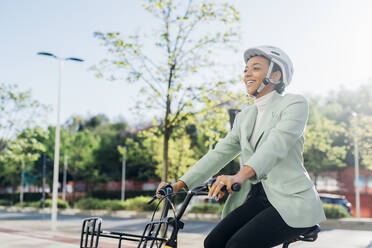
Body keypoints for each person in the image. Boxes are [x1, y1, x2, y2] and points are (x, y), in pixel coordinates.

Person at [156, 45, 326, 248]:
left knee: (237, 245)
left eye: (255, 68)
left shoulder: (294, 104)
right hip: (259, 199)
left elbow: (276, 145)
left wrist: (239, 176)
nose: (247, 74)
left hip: (293, 200)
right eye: (245, 69)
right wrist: (179, 184)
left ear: (276, 75)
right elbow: (219, 153)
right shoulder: (244, 117)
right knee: (213, 243)